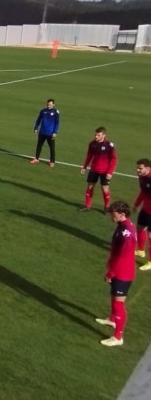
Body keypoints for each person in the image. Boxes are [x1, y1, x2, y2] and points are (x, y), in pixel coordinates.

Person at [95, 201, 137, 346]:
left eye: (113, 215)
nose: (111, 217)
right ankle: (113, 320)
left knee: (119, 303)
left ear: (122, 214)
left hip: (122, 273)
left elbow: (123, 257)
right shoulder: (123, 226)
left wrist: (111, 272)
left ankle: (118, 337)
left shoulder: (126, 234)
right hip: (119, 270)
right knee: (114, 299)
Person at [79, 126, 117, 213]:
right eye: (95, 135)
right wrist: (84, 167)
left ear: (104, 135)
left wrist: (110, 172)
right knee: (90, 187)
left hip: (105, 171)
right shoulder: (92, 144)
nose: (96, 137)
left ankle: (106, 207)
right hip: (93, 170)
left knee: (105, 189)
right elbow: (89, 156)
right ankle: (87, 206)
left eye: (98, 135)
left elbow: (114, 159)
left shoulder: (109, 145)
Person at [132, 159, 151, 269]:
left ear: (148, 169)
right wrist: (136, 204)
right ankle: (140, 251)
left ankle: (150, 262)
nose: (137, 170)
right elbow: (143, 192)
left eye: (140, 168)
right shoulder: (142, 178)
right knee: (139, 228)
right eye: (137, 168)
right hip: (145, 209)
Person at [30, 98, 59, 167]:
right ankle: (36, 158)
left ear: (53, 105)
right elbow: (38, 119)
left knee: (52, 148)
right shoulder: (43, 111)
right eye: (48, 104)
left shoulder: (55, 112)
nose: (49, 106)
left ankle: (52, 161)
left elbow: (57, 123)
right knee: (39, 145)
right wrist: (36, 127)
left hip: (50, 133)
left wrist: (55, 132)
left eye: (50, 105)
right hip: (42, 132)